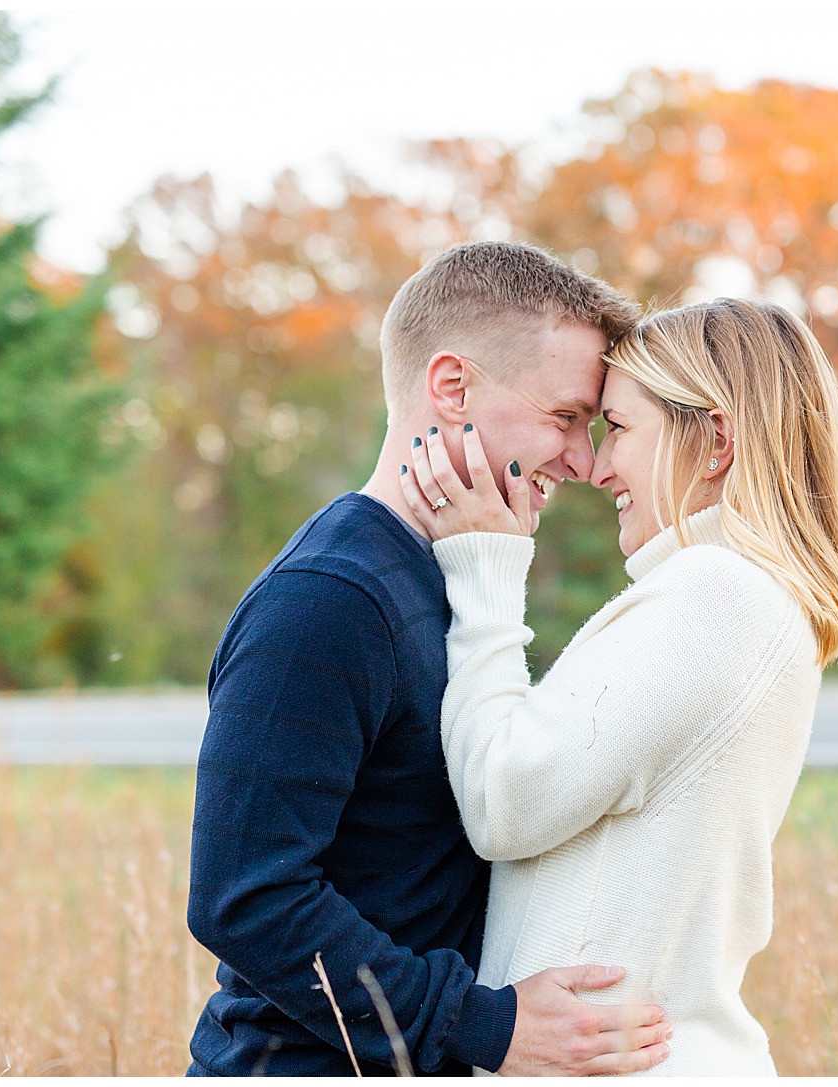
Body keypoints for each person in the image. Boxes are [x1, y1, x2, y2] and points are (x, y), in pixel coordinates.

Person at [185, 242, 674, 1077]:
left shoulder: (462, 578)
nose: (585, 460)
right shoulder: (326, 599)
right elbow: (246, 896)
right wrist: (485, 1026)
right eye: (564, 417)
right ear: (452, 388)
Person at [397, 297, 838, 1075]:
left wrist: (485, 570)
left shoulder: (713, 594)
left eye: (620, 429)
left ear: (717, 439)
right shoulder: (745, 600)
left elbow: (504, 796)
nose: (596, 467)